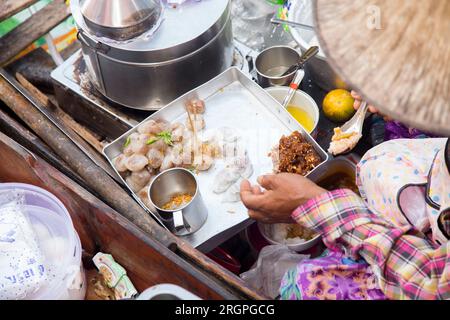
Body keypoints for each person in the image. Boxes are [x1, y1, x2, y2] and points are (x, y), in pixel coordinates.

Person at [240, 96, 450, 300]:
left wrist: (319, 207)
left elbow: (431, 285)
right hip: (434, 189)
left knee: (304, 284)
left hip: (420, 270)